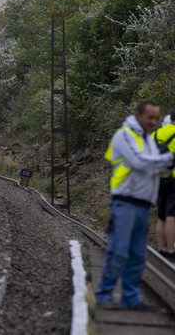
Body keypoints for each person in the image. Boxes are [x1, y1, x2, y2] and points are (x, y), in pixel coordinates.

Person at [96, 100, 175, 311]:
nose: (153, 122)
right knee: (118, 251)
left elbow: (155, 165)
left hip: (143, 205)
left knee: (138, 255)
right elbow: (140, 162)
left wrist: (164, 165)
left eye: (156, 118)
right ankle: (104, 295)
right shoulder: (125, 135)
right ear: (139, 115)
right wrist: (169, 158)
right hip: (124, 203)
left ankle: (130, 299)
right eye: (150, 117)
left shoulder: (148, 139)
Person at [154, 106, 175, 261]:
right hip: (174, 179)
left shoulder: (156, 134)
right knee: (171, 215)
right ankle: (170, 250)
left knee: (161, 215)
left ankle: (161, 248)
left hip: (159, 178)